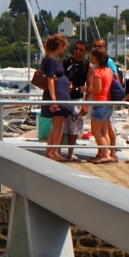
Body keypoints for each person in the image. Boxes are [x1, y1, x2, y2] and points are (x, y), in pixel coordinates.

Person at [37, 34, 71, 162]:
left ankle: (50, 151)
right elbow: (50, 80)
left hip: (59, 94)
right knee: (58, 125)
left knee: (58, 124)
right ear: (60, 46)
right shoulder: (50, 60)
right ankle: (54, 152)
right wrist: (54, 100)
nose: (66, 48)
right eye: (65, 45)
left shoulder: (50, 59)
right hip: (57, 95)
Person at [90, 38, 120, 160]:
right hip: (108, 103)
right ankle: (105, 154)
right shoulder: (109, 70)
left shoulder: (98, 72)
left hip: (100, 103)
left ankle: (106, 154)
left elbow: (97, 89)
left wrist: (86, 89)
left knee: (96, 131)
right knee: (104, 131)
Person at [62, 41, 90, 162]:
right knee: (62, 127)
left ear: (85, 52)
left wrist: (86, 104)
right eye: (76, 49)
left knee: (74, 129)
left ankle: (70, 153)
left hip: (77, 98)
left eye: (81, 50)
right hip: (64, 97)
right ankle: (57, 151)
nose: (78, 51)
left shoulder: (88, 65)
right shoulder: (66, 62)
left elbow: (89, 85)